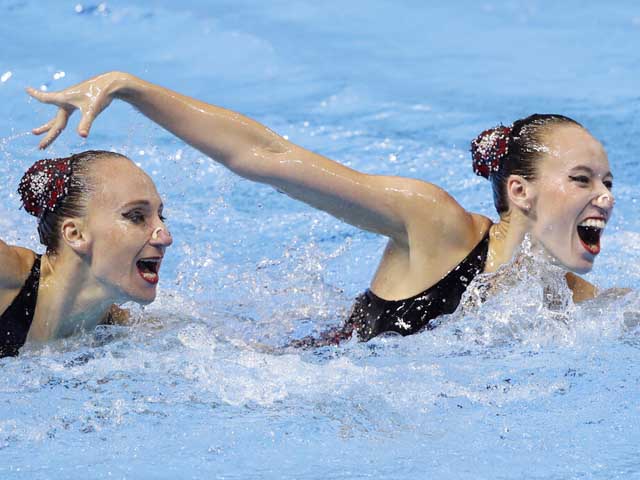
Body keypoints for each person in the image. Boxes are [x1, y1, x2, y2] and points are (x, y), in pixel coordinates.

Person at [26, 71, 614, 344]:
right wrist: (131, 87)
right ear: (520, 192)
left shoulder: (557, 290)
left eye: (609, 182)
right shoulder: (436, 224)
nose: (605, 198)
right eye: (583, 179)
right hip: (283, 387)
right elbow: (263, 154)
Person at [0, 150, 173, 357]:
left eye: (161, 216)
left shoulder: (122, 331)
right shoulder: (7, 276)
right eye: (136, 216)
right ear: (75, 233)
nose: (165, 237)